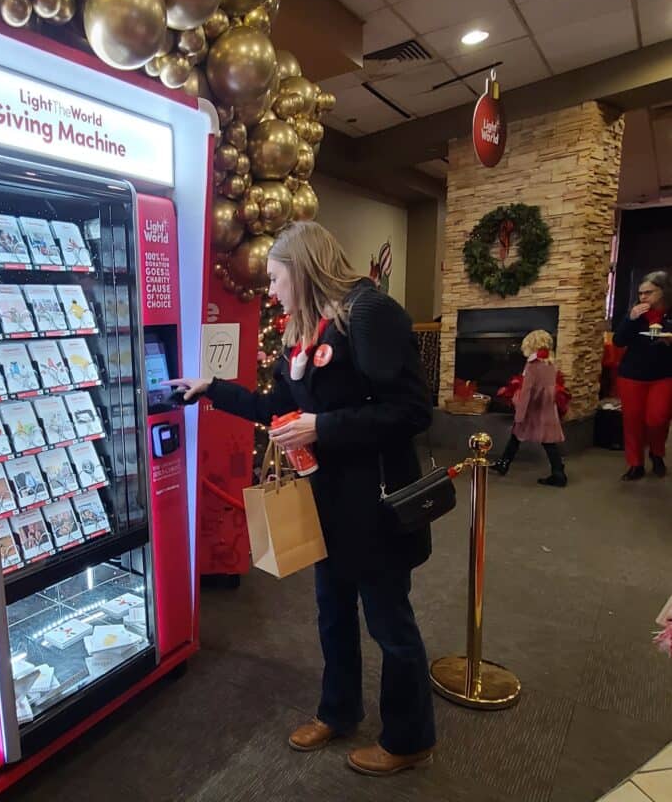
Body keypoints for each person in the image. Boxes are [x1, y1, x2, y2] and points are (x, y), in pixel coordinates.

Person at [168, 221, 436, 778]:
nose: (270, 290)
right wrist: (211, 390)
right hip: (328, 503)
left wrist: (323, 427)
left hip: (378, 505)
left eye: (274, 277)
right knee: (332, 615)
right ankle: (338, 711)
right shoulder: (305, 328)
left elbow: (412, 412)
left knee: (390, 625)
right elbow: (278, 407)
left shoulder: (370, 313)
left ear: (301, 267)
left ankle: (409, 737)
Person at [613, 271, 672, 480]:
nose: (643, 297)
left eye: (649, 292)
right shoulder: (635, 315)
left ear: (662, 292)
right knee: (633, 421)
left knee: (657, 418)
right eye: (640, 293)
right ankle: (635, 464)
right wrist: (630, 319)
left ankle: (656, 453)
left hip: (664, 375)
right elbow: (618, 341)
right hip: (632, 375)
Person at [491, 330, 567, 487]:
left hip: (533, 408)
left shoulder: (533, 365)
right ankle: (557, 470)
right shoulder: (550, 362)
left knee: (520, 433)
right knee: (544, 439)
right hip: (546, 406)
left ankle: (558, 472)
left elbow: (527, 391)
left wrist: (520, 412)